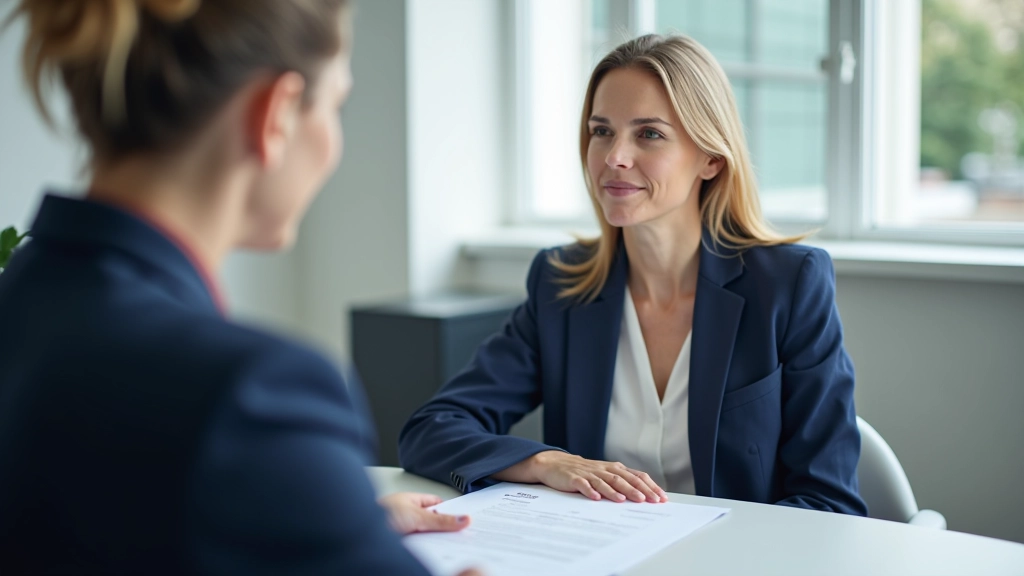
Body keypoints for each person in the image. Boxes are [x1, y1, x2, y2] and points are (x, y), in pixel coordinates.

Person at [0, 0, 477, 573]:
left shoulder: (26, 304)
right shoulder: (256, 397)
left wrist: (333, 517)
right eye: (335, 106)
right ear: (274, 115)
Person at [400, 34, 867, 516]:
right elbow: (432, 428)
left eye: (649, 134)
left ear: (710, 158)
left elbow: (828, 501)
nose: (614, 157)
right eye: (601, 131)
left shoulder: (789, 286)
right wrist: (544, 461)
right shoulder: (561, 285)